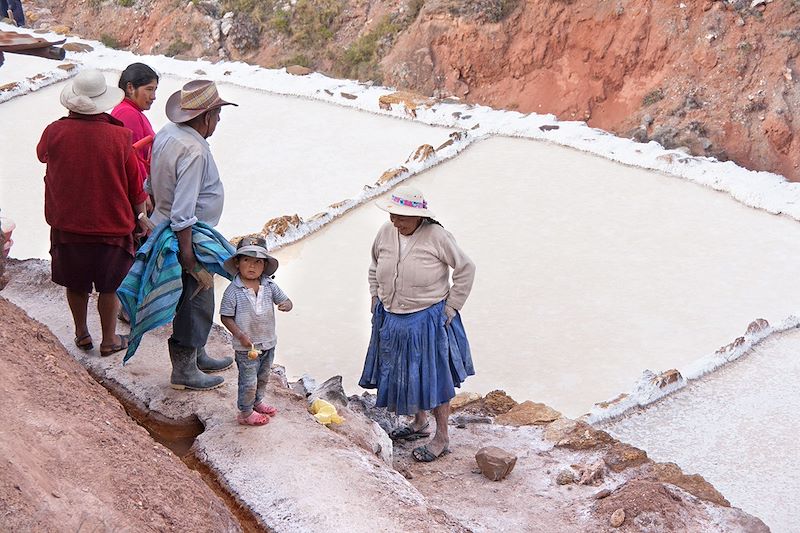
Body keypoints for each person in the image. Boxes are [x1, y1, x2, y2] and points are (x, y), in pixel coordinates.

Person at [359, 185, 475, 462]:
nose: (394, 221)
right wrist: (375, 294)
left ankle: (442, 437)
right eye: (392, 215)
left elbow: (466, 268)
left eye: (401, 216)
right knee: (404, 372)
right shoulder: (387, 232)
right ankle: (419, 423)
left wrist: (452, 306)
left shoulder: (437, 236)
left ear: (419, 217)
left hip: (427, 318)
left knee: (434, 378)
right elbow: (374, 265)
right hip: (391, 316)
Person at [37, 69, 148, 357]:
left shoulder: (54, 131)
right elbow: (136, 187)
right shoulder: (120, 137)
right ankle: (109, 340)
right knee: (109, 287)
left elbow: (41, 155)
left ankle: (82, 334)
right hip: (111, 225)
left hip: (68, 222)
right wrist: (141, 217)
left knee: (76, 282)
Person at [149, 79, 238, 390]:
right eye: (217, 114)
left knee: (199, 297)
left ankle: (197, 354)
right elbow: (183, 211)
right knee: (195, 298)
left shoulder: (167, 132)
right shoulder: (194, 150)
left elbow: (151, 182)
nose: (219, 121)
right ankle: (184, 370)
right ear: (205, 116)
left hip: (164, 222)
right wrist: (189, 258)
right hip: (186, 235)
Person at [220, 236, 293, 426]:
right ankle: (245, 412)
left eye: (257, 262)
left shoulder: (269, 285)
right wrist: (240, 335)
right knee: (248, 380)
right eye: (246, 260)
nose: (252, 266)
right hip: (247, 348)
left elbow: (285, 300)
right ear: (237, 263)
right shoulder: (232, 291)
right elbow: (225, 317)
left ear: (264, 265)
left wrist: (286, 305)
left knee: (263, 376)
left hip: (268, 342)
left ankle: (257, 402)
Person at [111, 62, 159, 211]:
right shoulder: (128, 114)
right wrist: (144, 196)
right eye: (149, 89)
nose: (153, 96)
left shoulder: (131, 111)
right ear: (130, 88)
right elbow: (134, 159)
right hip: (140, 199)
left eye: (155, 90)